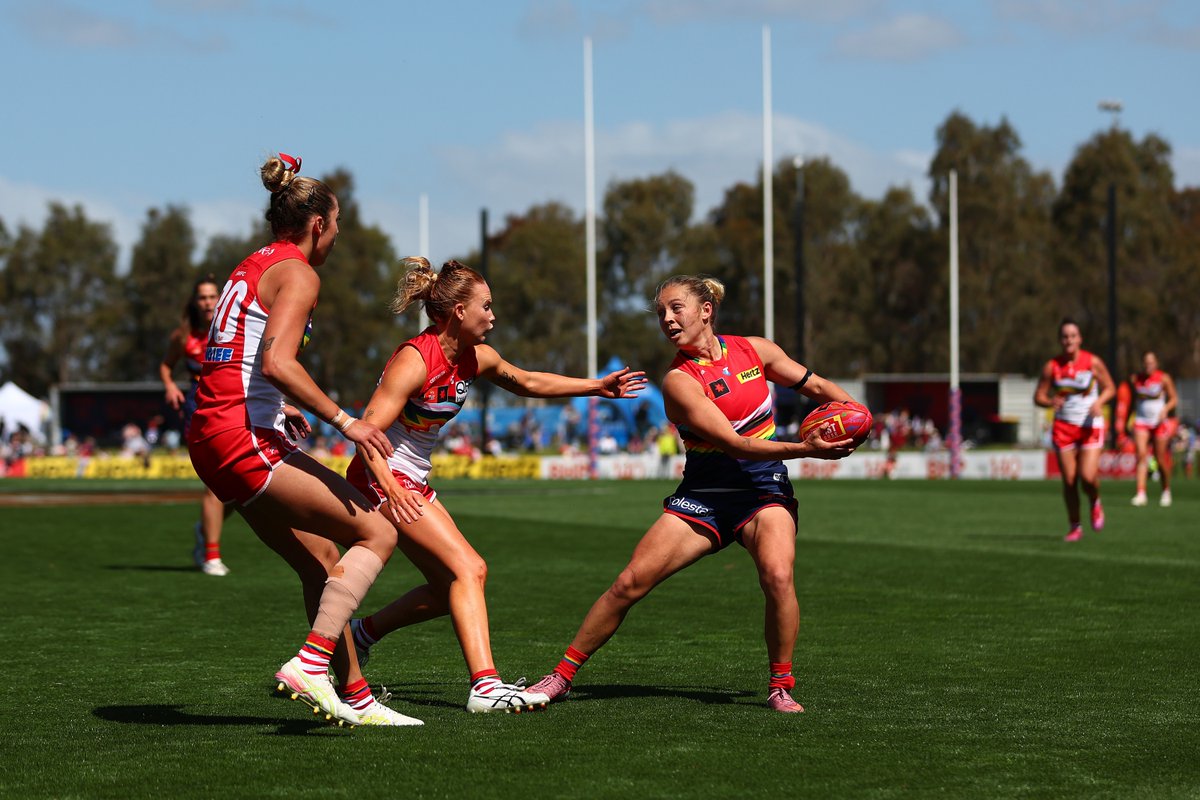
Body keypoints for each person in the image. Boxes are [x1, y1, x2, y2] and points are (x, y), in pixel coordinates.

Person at [526, 274, 859, 714]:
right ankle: (561, 677)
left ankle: (780, 686)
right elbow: (737, 444)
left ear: (706, 311)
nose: (666, 319)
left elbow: (816, 388)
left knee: (778, 577)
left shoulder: (755, 351)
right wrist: (809, 450)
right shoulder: (679, 382)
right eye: (661, 312)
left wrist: (857, 414)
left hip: (763, 491)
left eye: (675, 308)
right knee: (629, 583)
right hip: (706, 493)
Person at [344, 257, 648, 713]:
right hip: (382, 478)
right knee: (471, 569)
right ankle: (485, 687)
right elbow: (367, 431)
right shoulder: (414, 359)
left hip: (412, 480)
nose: (493, 316)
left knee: (449, 587)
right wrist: (391, 488)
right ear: (459, 312)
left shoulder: (474, 357)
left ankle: (360, 635)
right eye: (486, 306)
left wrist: (596, 387)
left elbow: (526, 381)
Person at [187, 154, 419, 726]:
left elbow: (237, 359)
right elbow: (276, 361)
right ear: (319, 224)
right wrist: (349, 422)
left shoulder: (251, 265)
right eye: (337, 225)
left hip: (212, 435)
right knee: (378, 528)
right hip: (241, 436)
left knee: (321, 559)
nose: (338, 237)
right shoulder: (299, 272)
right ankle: (311, 663)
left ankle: (357, 699)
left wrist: (281, 407)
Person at [160, 275, 235, 576]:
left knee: (239, 489)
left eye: (212, 296)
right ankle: (211, 555)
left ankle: (203, 530)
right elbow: (166, 365)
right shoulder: (183, 335)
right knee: (213, 484)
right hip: (198, 407)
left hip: (230, 403)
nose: (207, 302)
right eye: (202, 297)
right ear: (194, 301)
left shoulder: (231, 329)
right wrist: (169, 386)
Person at [1034, 318, 1116, 542]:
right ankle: (1075, 527)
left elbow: (1110, 388)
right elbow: (1038, 396)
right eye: (1065, 336)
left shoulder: (1092, 362)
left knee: (1087, 477)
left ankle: (1095, 501)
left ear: (1079, 339)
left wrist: (1099, 402)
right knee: (1070, 480)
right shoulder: (1052, 366)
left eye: (1073, 335)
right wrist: (1050, 402)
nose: (1069, 340)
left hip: (1090, 425)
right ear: (1060, 340)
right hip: (1063, 427)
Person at [1128, 351, 1178, 507]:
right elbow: (1132, 400)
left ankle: (1166, 490)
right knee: (1141, 456)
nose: (1148, 365)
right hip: (1141, 422)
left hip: (1158, 422)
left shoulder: (1163, 378)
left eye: (1151, 362)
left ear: (1156, 363)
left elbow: (1174, 398)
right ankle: (1141, 493)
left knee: (1160, 458)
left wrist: (1165, 410)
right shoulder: (1135, 379)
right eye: (1145, 362)